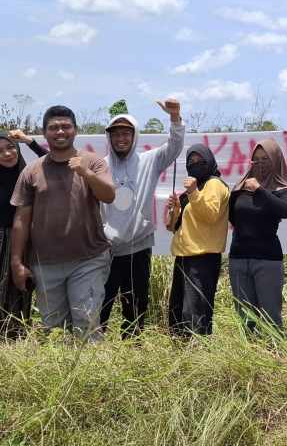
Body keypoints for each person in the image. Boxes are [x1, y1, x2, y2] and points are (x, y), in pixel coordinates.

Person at [8, 106, 115, 340]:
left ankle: (92, 376)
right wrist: (17, 262)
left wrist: (85, 173)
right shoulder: (31, 171)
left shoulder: (92, 162)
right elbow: (21, 220)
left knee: (85, 321)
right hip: (45, 263)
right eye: (53, 127)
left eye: (65, 126)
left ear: (75, 131)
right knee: (54, 330)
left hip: (88, 259)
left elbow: (109, 195)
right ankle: (63, 377)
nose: (60, 132)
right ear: (44, 133)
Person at [99, 99, 185, 338]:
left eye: (126, 133)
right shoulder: (100, 166)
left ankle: (131, 348)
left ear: (135, 135)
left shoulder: (150, 161)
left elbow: (175, 146)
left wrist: (175, 117)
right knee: (101, 302)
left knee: (135, 304)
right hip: (107, 249)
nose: (121, 139)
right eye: (115, 134)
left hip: (139, 246)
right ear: (109, 138)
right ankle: (95, 349)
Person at [228, 139, 287, 334]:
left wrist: (260, 190)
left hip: (267, 260)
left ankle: (275, 356)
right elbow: (232, 216)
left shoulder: (281, 189)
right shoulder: (240, 187)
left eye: (265, 159)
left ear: (276, 160)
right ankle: (248, 357)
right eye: (256, 159)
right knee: (244, 316)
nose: (260, 163)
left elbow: (286, 210)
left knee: (270, 316)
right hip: (239, 258)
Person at [165, 143, 230, 337]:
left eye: (200, 161)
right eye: (191, 162)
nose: (195, 165)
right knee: (177, 311)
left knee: (195, 314)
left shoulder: (214, 184)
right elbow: (172, 227)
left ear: (209, 161)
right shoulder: (192, 190)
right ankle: (178, 354)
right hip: (184, 257)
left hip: (203, 258)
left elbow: (210, 215)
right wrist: (175, 210)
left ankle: (197, 357)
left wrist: (193, 192)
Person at [0, 130, 44, 339]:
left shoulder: (29, 176)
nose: (7, 153)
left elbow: (52, 159)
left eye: (10, 147)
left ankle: (17, 337)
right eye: (0, 151)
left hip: (24, 240)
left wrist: (29, 141)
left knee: (22, 288)